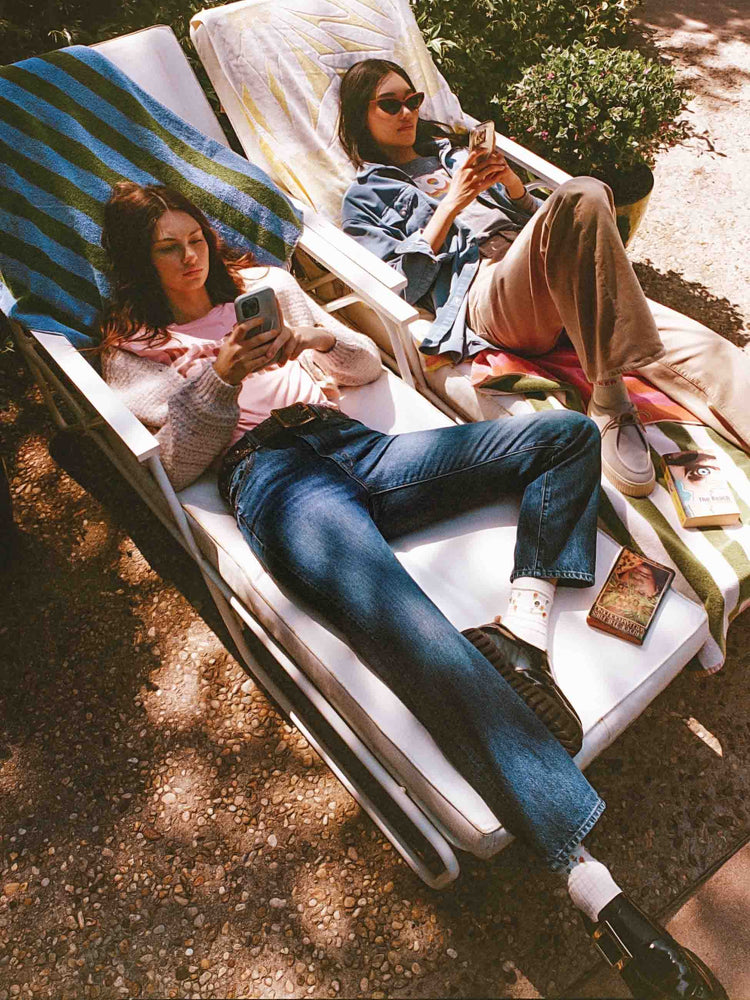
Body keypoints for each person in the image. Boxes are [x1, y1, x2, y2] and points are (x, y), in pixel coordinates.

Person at [99, 181, 725, 1000]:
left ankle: (522, 632)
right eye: (169, 249)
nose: (192, 258)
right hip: (276, 485)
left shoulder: (260, 289)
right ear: (140, 266)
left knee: (563, 435)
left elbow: (357, 369)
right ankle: (595, 891)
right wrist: (217, 375)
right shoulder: (133, 350)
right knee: (407, 627)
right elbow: (179, 464)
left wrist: (315, 336)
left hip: (353, 445)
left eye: (195, 239)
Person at [337, 58, 750, 501]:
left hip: (544, 268)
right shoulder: (363, 197)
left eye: (413, 100)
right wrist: (451, 204)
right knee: (584, 191)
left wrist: (513, 187)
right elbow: (401, 281)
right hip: (486, 289)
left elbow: (554, 226)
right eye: (389, 104)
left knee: (707, 349)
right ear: (363, 115)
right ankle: (609, 395)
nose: (407, 113)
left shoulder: (455, 154)